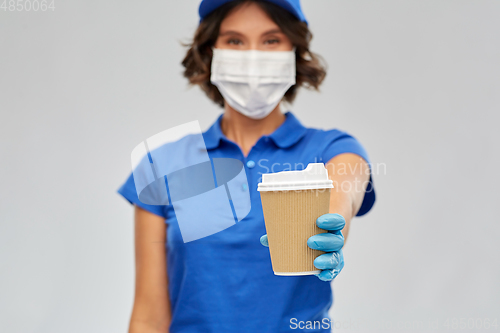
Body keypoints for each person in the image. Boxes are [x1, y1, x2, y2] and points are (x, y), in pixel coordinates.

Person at [117, 0, 376, 332]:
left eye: (271, 40)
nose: (253, 56)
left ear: (294, 51)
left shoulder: (331, 149)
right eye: (235, 40)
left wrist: (333, 224)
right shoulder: (162, 164)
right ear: (210, 51)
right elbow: (149, 318)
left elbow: (346, 185)